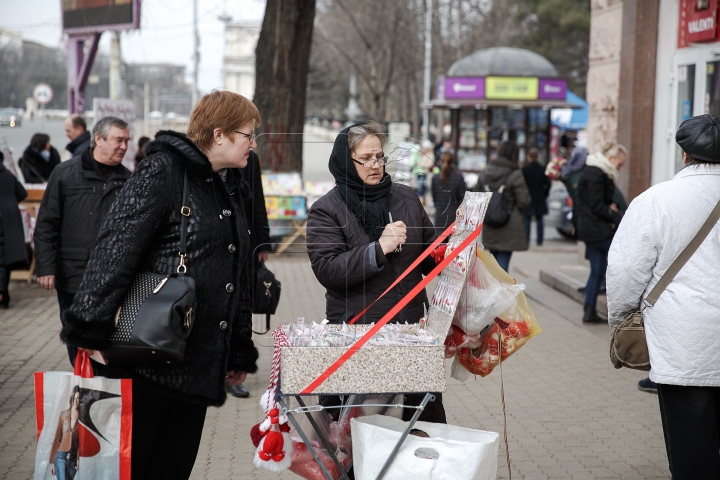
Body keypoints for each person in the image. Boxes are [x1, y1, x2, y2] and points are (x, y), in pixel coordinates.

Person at [60, 90, 260, 480]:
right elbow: (116, 247)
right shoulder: (164, 171)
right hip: (147, 355)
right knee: (134, 468)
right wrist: (90, 325)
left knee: (172, 467)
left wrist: (237, 348)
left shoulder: (227, 184)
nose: (254, 143)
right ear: (219, 135)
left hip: (195, 360)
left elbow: (235, 274)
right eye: (249, 134)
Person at [306, 121, 445, 424]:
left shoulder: (405, 197)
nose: (374, 165)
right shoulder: (327, 209)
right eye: (364, 159)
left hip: (411, 334)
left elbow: (429, 255)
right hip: (359, 338)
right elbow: (328, 270)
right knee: (363, 435)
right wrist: (377, 249)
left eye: (379, 156)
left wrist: (453, 246)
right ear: (346, 161)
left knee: (420, 428)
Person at [607, 114, 720, 477]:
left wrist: (622, 318)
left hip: (680, 340)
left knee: (689, 438)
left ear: (684, 155)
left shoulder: (655, 201)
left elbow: (626, 271)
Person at [34, 117, 132, 365]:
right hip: (72, 275)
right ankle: (83, 390)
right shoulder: (65, 173)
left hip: (112, 277)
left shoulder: (129, 180)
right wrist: (46, 267)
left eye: (127, 141)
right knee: (76, 341)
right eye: (118, 140)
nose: (123, 146)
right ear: (98, 139)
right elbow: (46, 224)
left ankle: (104, 393)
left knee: (106, 341)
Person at [227, 149, 271, 399]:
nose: (253, 142)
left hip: (244, 243)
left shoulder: (249, 158)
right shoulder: (199, 157)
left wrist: (263, 242)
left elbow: (257, 198)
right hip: (212, 247)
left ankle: (235, 372)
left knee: (240, 309)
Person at [575, 143, 626, 323]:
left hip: (591, 228)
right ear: (610, 159)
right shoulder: (597, 174)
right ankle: (601, 310)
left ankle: (589, 310)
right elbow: (597, 205)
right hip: (597, 229)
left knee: (597, 271)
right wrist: (615, 214)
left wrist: (612, 207)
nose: (619, 168)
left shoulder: (594, 172)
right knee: (610, 268)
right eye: (619, 164)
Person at [472, 141, 531, 273]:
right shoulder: (515, 174)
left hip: (489, 222)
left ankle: (493, 291)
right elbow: (524, 201)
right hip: (509, 224)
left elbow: (476, 196)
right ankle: (500, 292)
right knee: (503, 264)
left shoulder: (485, 173)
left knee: (493, 262)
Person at [0, 150, 28, 308]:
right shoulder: (8, 174)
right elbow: (22, 192)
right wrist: (9, 200)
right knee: (7, 256)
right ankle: (5, 292)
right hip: (11, 215)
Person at [431, 151, 467, 236]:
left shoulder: (435, 178)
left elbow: (434, 198)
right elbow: (463, 198)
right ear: (453, 162)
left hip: (440, 215)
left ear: (440, 161)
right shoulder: (459, 177)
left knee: (441, 246)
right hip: (455, 217)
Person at [49, 385, 80, 480]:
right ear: (71, 398)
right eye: (74, 398)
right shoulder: (64, 415)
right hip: (60, 456)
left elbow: (81, 443)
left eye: (78, 398)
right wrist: (53, 462)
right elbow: (57, 438)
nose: (75, 401)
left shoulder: (83, 420)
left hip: (72, 459)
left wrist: (78, 460)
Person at [521, 148, 551, 246]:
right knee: (539, 219)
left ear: (528, 157)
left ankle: (526, 240)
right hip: (540, 196)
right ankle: (539, 241)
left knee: (527, 219)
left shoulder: (524, 169)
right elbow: (548, 183)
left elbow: (521, 184)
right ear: (537, 157)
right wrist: (544, 194)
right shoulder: (542, 169)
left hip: (528, 196)